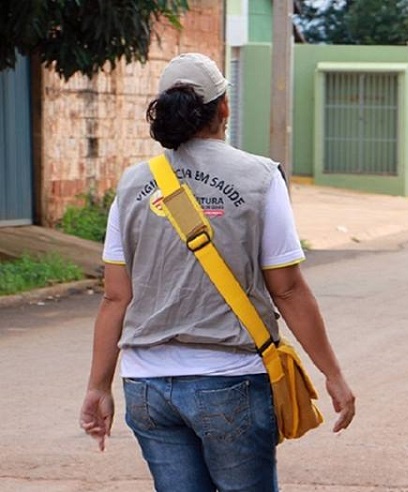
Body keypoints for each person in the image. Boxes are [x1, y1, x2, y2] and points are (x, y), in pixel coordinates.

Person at [79, 53, 356, 491]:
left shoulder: (133, 184)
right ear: (223, 108)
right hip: (229, 380)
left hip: (146, 385)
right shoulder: (260, 178)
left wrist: (98, 387)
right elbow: (287, 291)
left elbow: (116, 297)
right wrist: (333, 375)